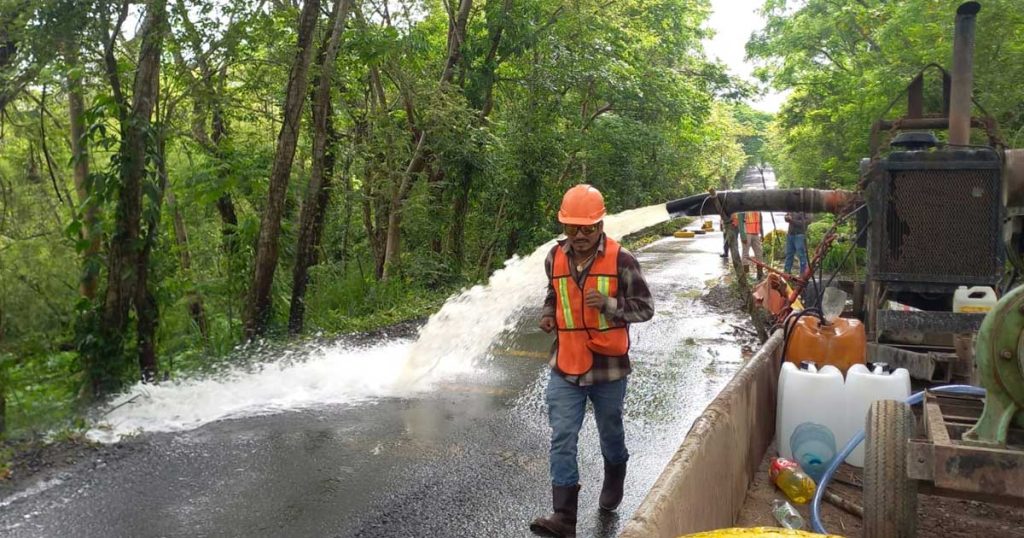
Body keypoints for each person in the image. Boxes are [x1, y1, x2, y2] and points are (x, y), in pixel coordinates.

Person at [531, 184, 655, 537]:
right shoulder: (553, 258)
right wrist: (547, 314)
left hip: (608, 366)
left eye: (588, 228)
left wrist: (611, 305)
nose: (580, 235)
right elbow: (553, 294)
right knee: (562, 437)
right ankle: (564, 518)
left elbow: (645, 308)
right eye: (573, 228)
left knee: (610, 432)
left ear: (601, 224)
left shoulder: (622, 260)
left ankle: (615, 478)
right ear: (565, 227)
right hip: (566, 363)